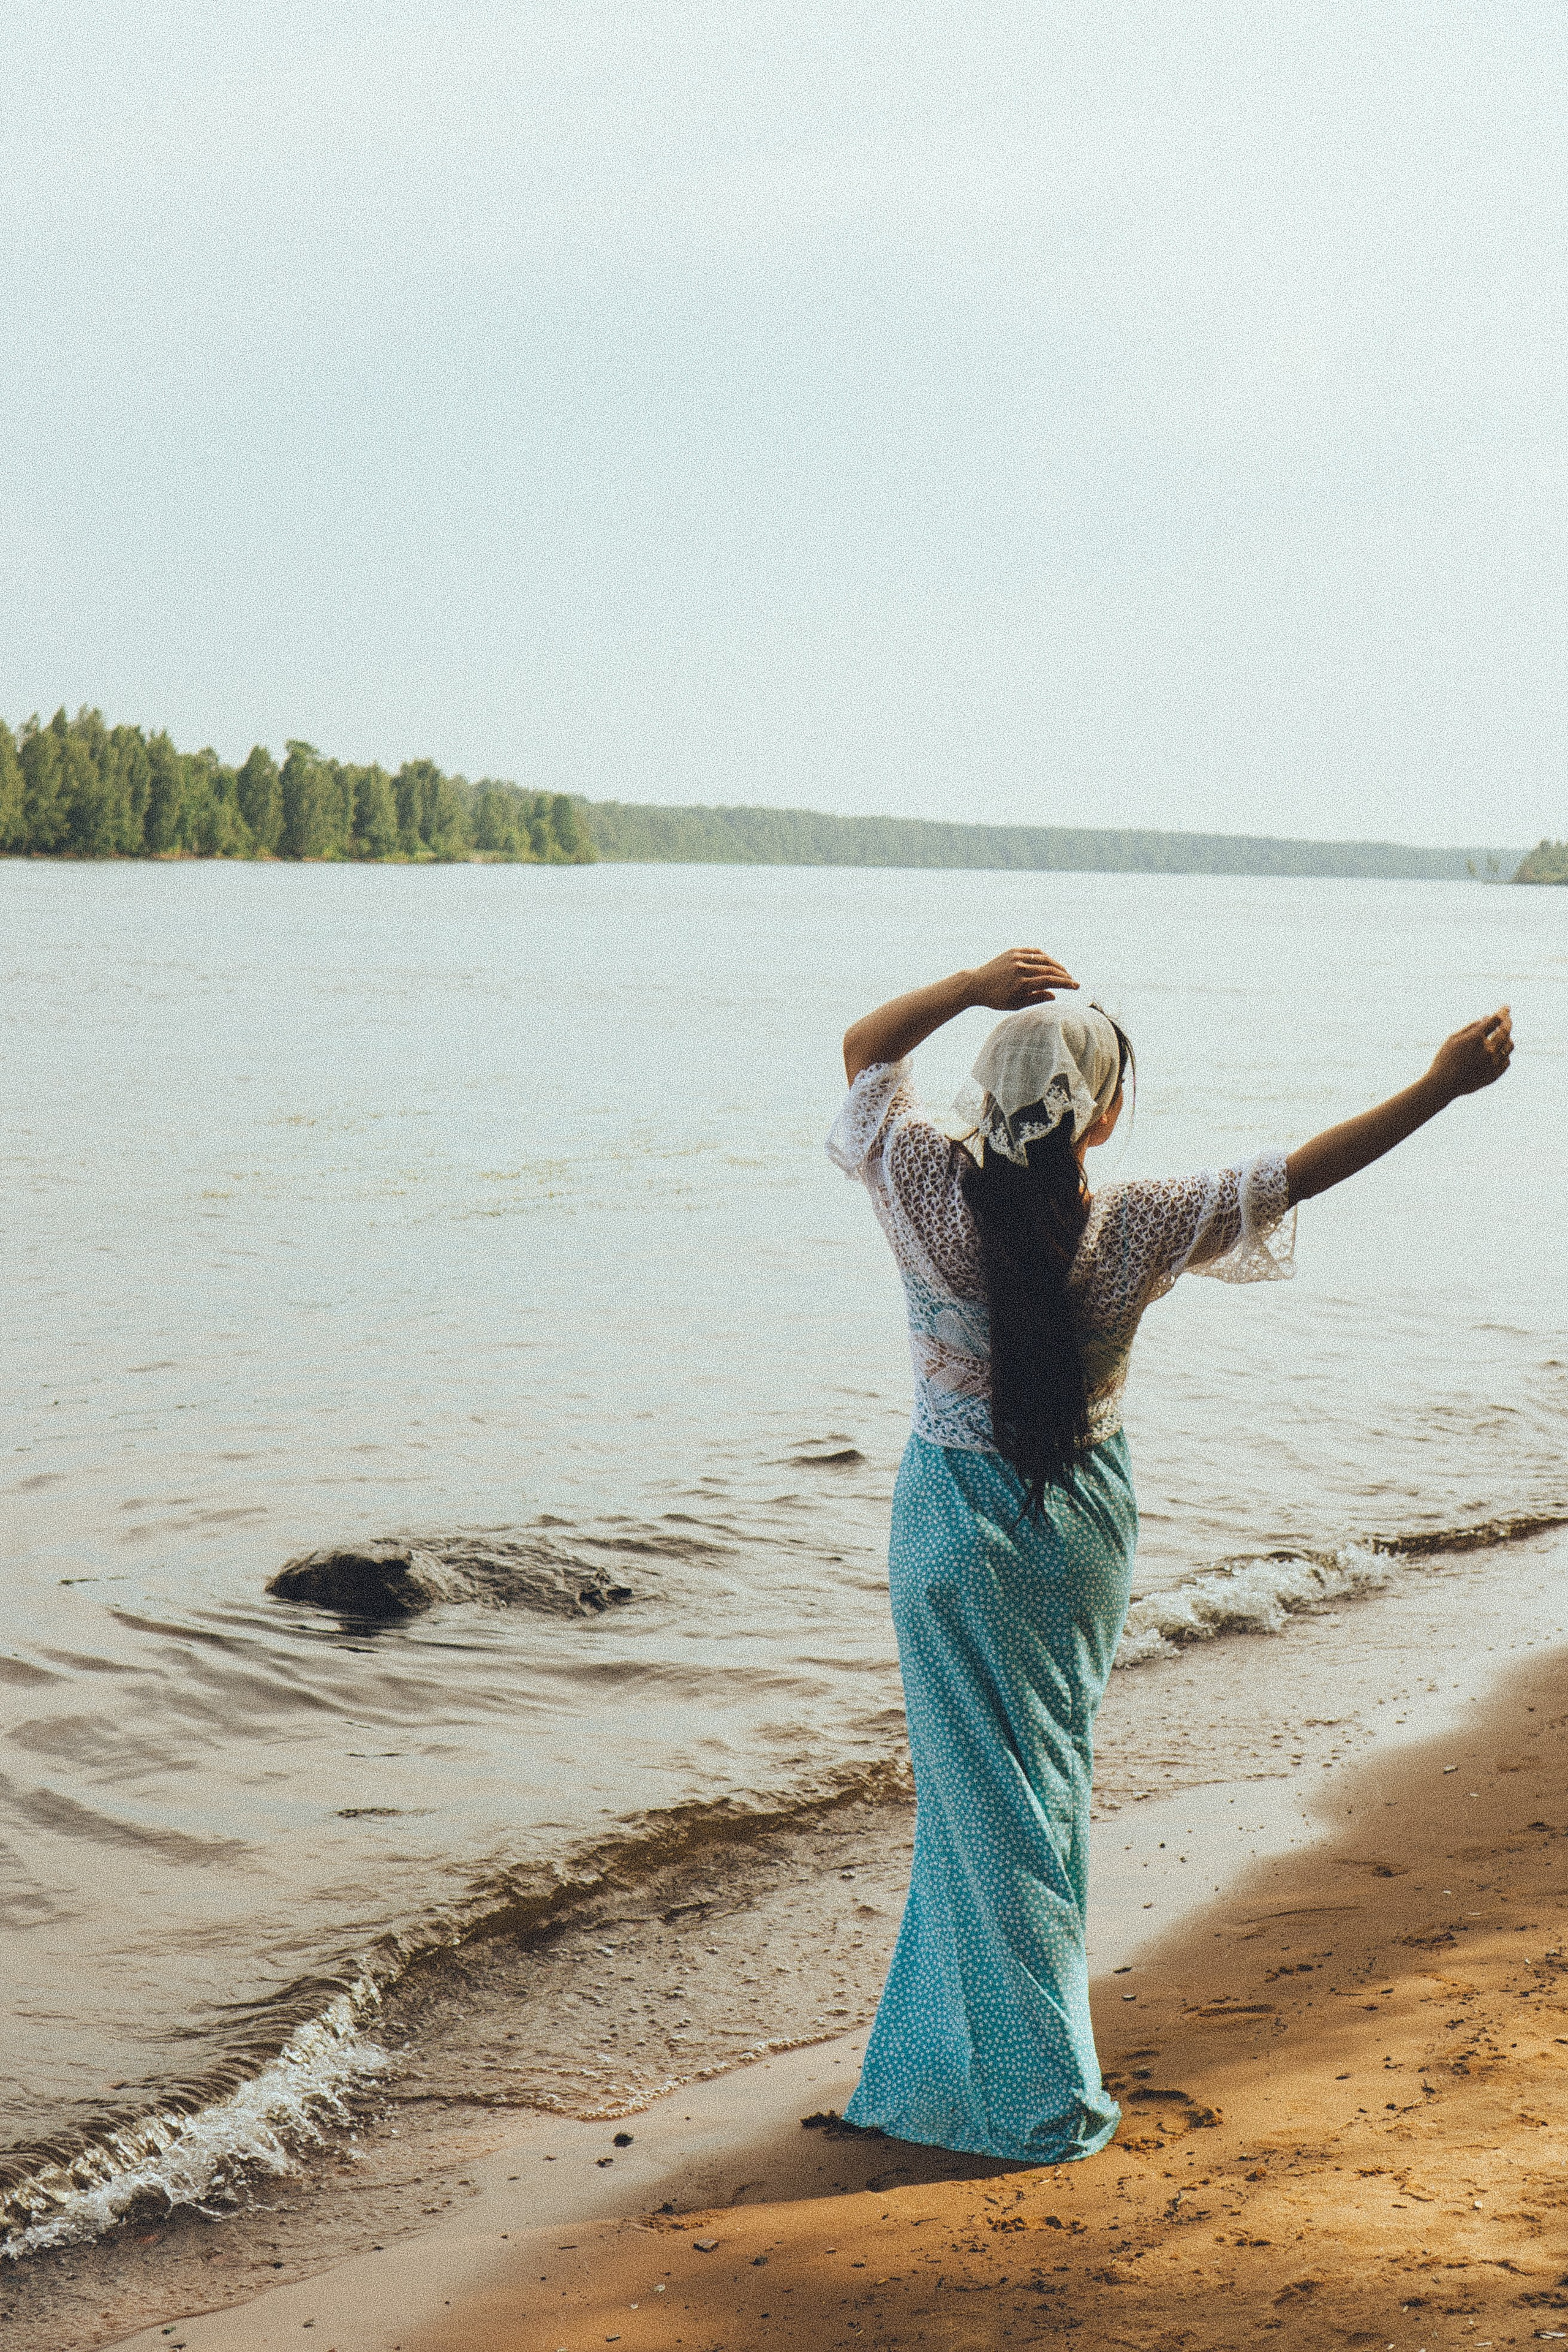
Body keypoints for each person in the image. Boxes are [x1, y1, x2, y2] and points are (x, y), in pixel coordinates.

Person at [826, 948, 1513, 2164]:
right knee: (1038, 1797)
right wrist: (1436, 1086)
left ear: (985, 1097)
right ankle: (1003, 2078)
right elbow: (1302, 1172)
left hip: (945, 1525)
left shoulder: (921, 1188)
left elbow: (866, 1053)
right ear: (1101, 1113)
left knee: (973, 1804)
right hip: (1075, 1528)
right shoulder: (1132, 1226)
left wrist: (972, 987)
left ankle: (993, 2081)